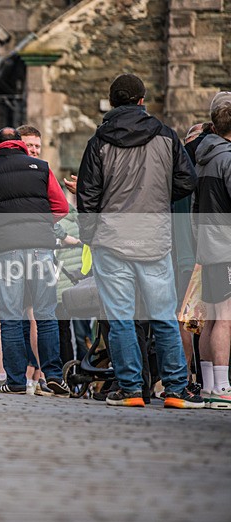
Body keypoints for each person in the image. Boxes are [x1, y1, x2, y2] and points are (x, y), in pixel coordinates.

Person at [76, 73, 202, 408]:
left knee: (121, 320)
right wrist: (159, 199)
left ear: (112, 102)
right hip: (153, 237)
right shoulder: (166, 136)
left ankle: (131, 389)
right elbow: (187, 180)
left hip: (111, 239)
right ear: (142, 101)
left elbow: (87, 196)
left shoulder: (100, 141)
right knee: (163, 316)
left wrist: (90, 236)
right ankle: (175, 389)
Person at [0, 127, 71, 396]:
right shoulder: (41, 168)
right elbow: (61, 207)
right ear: (19, 144)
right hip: (41, 249)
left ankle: (15, 381)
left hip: (6, 251)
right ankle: (53, 375)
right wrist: (40, 224)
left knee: (11, 318)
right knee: (46, 315)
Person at [193, 92, 231, 410]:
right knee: (225, 318)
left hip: (207, 245)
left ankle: (208, 385)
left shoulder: (203, 155)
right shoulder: (228, 158)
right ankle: (221, 386)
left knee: (210, 319)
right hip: (225, 246)